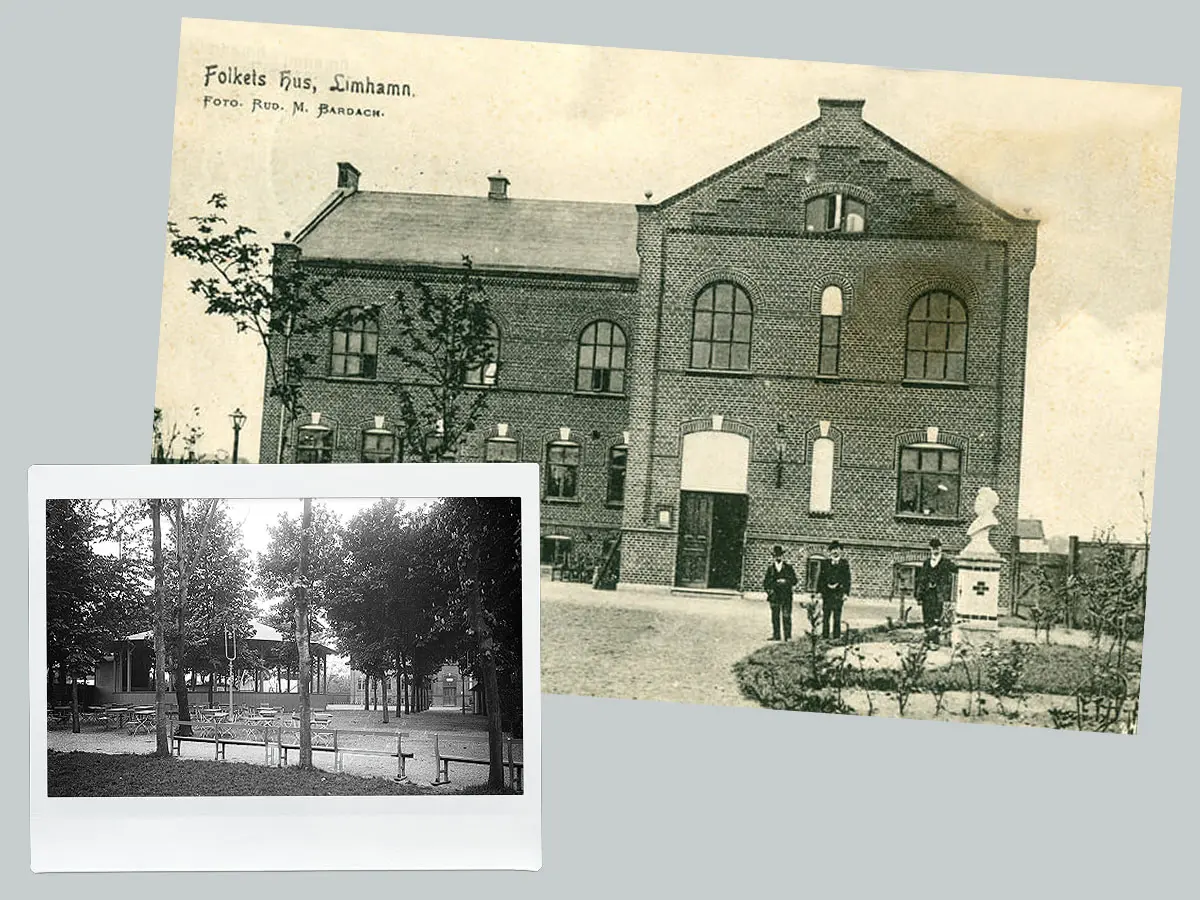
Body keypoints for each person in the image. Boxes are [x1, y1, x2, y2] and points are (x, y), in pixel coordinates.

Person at [915, 537, 957, 648]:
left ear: (941, 548)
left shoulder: (946, 563)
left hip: (939, 595)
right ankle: (928, 641)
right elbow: (921, 579)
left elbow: (957, 570)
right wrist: (919, 595)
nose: (935, 550)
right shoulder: (926, 563)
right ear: (930, 549)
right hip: (927, 595)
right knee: (927, 617)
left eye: (937, 548)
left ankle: (935, 641)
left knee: (937, 617)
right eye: (933, 548)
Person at [816, 540, 852, 639]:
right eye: (832, 550)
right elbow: (821, 578)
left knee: (837, 615)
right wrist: (819, 591)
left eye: (837, 550)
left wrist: (845, 593)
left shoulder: (844, 564)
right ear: (830, 552)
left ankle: (836, 635)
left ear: (840, 551)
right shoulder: (825, 563)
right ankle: (825, 635)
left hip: (838, 593)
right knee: (826, 614)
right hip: (827, 593)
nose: (835, 552)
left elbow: (847, 579)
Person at [762, 545, 798, 641]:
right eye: (776, 555)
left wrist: (785, 581)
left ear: (783, 556)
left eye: (780, 555)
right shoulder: (770, 569)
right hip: (775, 596)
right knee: (775, 616)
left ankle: (788, 636)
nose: (778, 557)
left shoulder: (788, 568)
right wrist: (770, 590)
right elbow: (765, 583)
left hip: (786, 595)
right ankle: (776, 635)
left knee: (786, 615)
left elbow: (795, 580)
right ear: (773, 557)